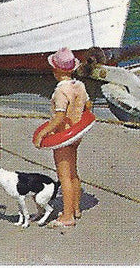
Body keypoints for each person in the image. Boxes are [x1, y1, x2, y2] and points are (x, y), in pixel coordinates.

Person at [32, 47, 90, 228]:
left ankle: (67, 216)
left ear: (56, 70)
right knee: (73, 172)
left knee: (64, 176)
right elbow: (88, 105)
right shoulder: (79, 86)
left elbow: (58, 118)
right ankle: (76, 208)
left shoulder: (60, 92)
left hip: (63, 137)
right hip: (76, 134)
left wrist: (42, 133)